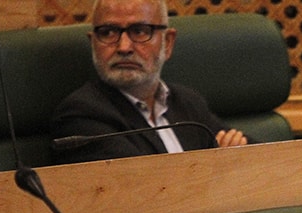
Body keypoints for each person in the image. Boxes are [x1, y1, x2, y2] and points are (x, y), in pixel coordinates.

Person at [50, 0, 248, 164]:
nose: (124, 47)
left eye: (140, 31)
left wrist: (240, 151)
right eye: (108, 32)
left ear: (168, 43)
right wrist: (222, 166)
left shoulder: (186, 102)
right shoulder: (81, 116)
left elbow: (263, 153)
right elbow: (146, 186)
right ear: (93, 43)